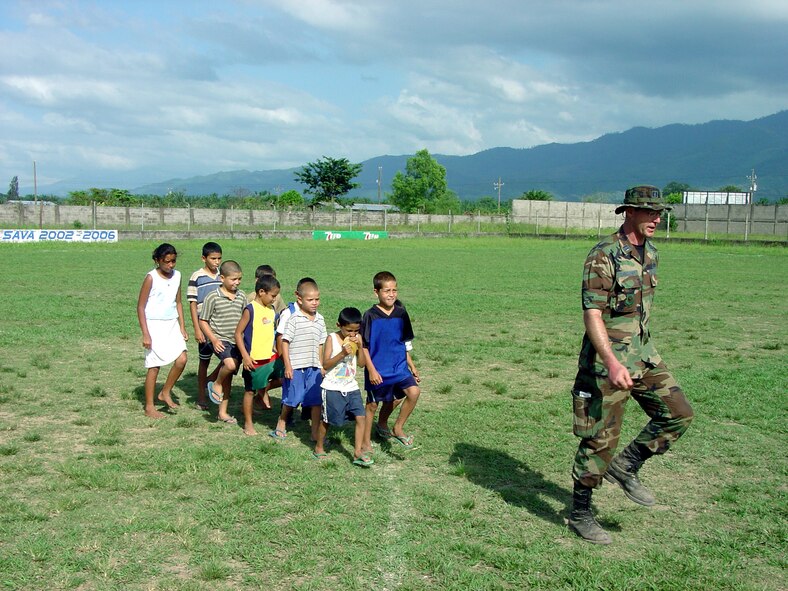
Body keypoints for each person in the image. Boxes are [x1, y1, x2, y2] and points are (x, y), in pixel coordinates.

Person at [568, 185, 694, 545]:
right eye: (650, 212)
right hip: (607, 361)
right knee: (600, 439)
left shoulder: (650, 253)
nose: (657, 218)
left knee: (678, 413)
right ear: (630, 212)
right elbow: (592, 314)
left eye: (659, 213)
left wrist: (640, 354)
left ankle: (627, 466)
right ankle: (580, 513)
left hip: (643, 354)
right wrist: (611, 361)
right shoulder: (604, 254)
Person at [360, 271, 421, 454]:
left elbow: (402, 342)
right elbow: (364, 346)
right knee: (372, 405)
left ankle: (398, 428)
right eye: (387, 290)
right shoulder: (370, 315)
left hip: (399, 367)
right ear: (376, 292)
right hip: (378, 369)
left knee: (413, 392)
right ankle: (366, 442)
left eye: (394, 290)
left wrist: (412, 365)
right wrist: (371, 370)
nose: (391, 294)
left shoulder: (401, 313)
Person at [270, 277, 326, 444]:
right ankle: (282, 421)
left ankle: (315, 432)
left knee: (316, 401)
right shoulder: (294, 318)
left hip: (314, 367)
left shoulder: (320, 319)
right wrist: (287, 365)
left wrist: (321, 365)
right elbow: (285, 342)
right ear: (299, 299)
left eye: (317, 299)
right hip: (296, 366)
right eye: (310, 300)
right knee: (292, 399)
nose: (314, 303)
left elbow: (321, 344)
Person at [315, 307, 372, 466]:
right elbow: (325, 364)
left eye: (356, 331)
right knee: (327, 420)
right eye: (349, 331)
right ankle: (319, 447)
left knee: (360, 417)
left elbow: (361, 364)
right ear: (339, 325)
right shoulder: (331, 339)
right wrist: (342, 353)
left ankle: (357, 452)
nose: (352, 334)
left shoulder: (357, 339)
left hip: (351, 386)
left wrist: (360, 347)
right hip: (332, 387)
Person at [136, 243, 188, 419]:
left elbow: (178, 302)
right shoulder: (151, 278)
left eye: (173, 261)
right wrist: (145, 333)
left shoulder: (178, 276)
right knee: (154, 366)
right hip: (154, 325)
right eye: (167, 262)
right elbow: (141, 306)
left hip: (172, 323)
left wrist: (182, 326)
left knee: (182, 359)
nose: (171, 265)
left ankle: (165, 392)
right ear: (157, 261)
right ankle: (149, 407)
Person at [199, 260, 248, 425]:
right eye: (233, 279)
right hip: (220, 340)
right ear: (222, 278)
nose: (237, 282)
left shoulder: (242, 296)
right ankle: (215, 384)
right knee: (230, 366)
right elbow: (203, 321)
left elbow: (245, 319)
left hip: (236, 342)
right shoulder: (212, 297)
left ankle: (222, 412)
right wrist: (213, 339)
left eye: (239, 279)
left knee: (229, 377)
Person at [234, 274, 281, 435]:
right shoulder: (250, 309)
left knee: (284, 377)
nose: (275, 299)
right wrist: (245, 357)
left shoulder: (272, 309)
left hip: (270, 357)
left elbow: (270, 332)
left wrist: (274, 346)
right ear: (261, 292)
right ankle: (248, 423)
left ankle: (263, 393)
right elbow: (238, 334)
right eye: (273, 295)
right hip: (253, 360)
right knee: (249, 391)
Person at [187, 242, 223, 410]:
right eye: (213, 258)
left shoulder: (222, 276)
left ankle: (212, 380)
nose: (216, 262)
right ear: (204, 258)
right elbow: (193, 304)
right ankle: (201, 396)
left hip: (221, 325)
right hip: (204, 325)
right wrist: (196, 328)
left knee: (230, 358)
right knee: (204, 361)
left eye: (219, 258)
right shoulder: (197, 277)